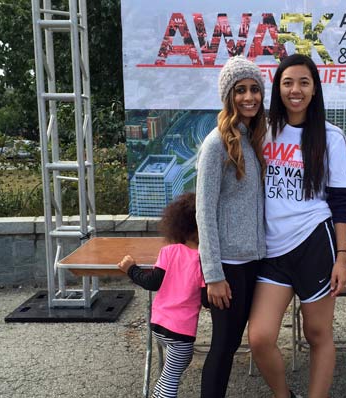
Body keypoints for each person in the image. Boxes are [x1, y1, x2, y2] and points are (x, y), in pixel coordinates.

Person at [248, 54, 346, 398]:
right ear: (277, 88)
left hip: (314, 244)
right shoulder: (262, 130)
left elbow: (339, 202)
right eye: (288, 82)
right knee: (260, 337)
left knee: (317, 334)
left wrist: (342, 258)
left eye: (304, 82)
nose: (296, 90)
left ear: (314, 89)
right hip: (271, 249)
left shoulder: (331, 137)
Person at [196, 56, 267, 398]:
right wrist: (213, 274)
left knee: (233, 342)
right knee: (223, 347)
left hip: (252, 260)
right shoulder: (216, 144)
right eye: (241, 90)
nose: (249, 97)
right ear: (228, 96)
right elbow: (204, 211)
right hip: (228, 267)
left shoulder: (251, 141)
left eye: (255, 89)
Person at [117, 192, 204, 398]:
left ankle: (158, 393)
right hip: (181, 333)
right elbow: (207, 298)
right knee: (171, 380)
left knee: (169, 374)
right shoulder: (203, 260)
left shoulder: (169, 252)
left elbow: (152, 282)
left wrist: (131, 269)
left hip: (158, 326)